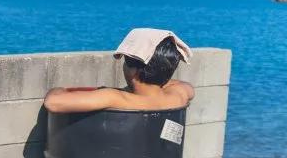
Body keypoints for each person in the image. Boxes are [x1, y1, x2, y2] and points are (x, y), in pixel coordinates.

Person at [44, 28, 195, 113]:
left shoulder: (116, 98)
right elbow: (187, 87)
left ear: (133, 71)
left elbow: (54, 102)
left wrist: (56, 90)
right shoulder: (178, 95)